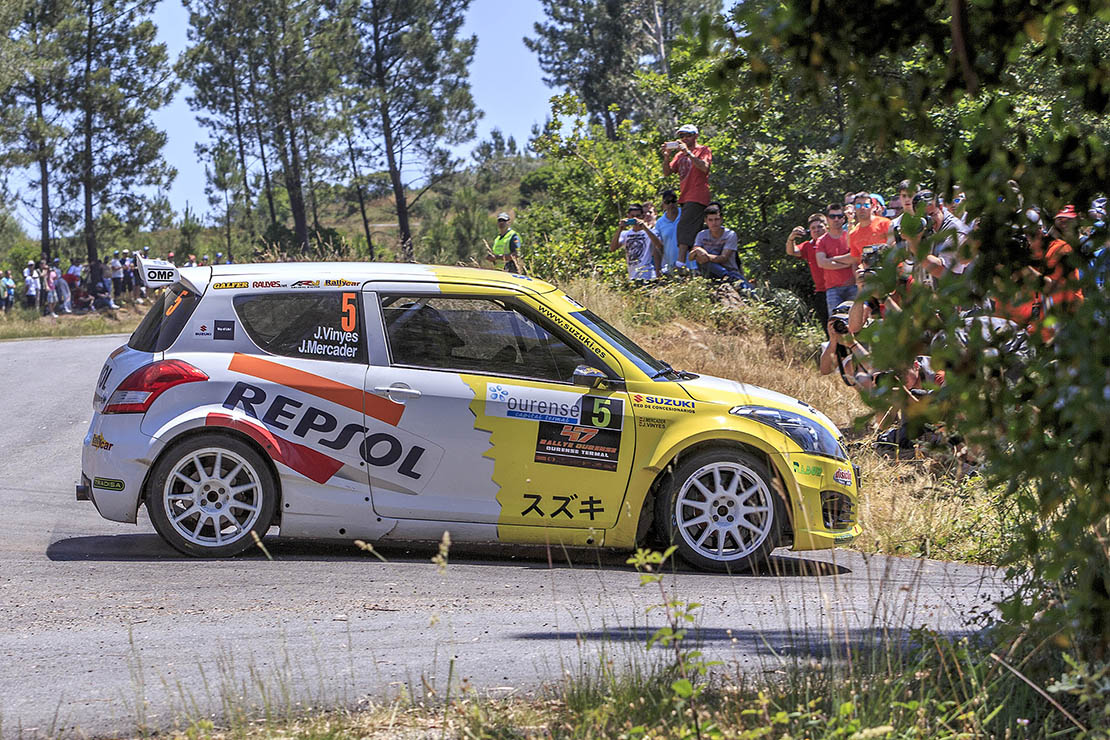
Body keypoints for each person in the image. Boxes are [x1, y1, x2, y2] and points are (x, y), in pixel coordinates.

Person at [661, 123, 712, 267]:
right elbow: (667, 172)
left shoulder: (703, 150)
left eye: (688, 135)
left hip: (697, 195)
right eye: (681, 136)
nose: (684, 139)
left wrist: (689, 153)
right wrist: (666, 157)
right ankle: (697, 266)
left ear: (695, 136)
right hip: (685, 196)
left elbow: (704, 167)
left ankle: (680, 263)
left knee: (683, 227)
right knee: (695, 231)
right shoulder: (678, 155)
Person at [786, 213, 830, 333]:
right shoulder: (808, 246)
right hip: (821, 292)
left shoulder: (834, 240)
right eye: (813, 228)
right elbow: (792, 251)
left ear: (827, 227)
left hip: (839, 288)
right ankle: (836, 352)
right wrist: (791, 238)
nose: (817, 230)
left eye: (820, 227)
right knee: (829, 328)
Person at [815, 203, 858, 315]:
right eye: (832, 216)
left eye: (839, 216)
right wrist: (845, 263)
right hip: (832, 289)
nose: (836, 219)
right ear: (827, 219)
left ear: (843, 219)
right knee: (835, 324)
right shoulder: (821, 241)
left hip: (853, 286)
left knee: (857, 321)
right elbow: (822, 263)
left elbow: (854, 257)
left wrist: (832, 260)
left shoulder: (850, 236)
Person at [689, 203, 748, 285]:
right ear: (706, 221)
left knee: (749, 290)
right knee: (704, 262)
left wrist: (705, 255)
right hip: (709, 273)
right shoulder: (701, 235)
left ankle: (728, 277)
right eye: (710, 220)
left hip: (730, 270)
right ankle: (727, 277)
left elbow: (723, 258)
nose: (714, 223)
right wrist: (698, 250)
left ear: (721, 219)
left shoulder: (730, 235)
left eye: (716, 219)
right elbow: (692, 256)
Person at [609, 203, 663, 280]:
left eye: (638, 216)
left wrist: (644, 227)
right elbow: (612, 248)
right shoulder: (625, 234)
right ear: (628, 217)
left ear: (642, 216)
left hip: (648, 276)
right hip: (632, 276)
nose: (635, 219)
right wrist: (619, 229)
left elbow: (659, 245)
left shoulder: (651, 232)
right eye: (632, 216)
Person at [848, 191, 892, 272]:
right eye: (858, 205)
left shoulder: (885, 223)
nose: (862, 208)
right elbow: (856, 259)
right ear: (854, 208)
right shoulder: (853, 234)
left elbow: (895, 247)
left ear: (872, 206)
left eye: (866, 205)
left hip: (889, 272)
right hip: (870, 277)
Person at [652, 189, 688, 273]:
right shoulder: (660, 223)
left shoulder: (685, 215)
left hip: (689, 265)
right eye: (667, 202)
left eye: (673, 201)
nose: (671, 204)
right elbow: (657, 247)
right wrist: (658, 270)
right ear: (663, 204)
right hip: (670, 268)